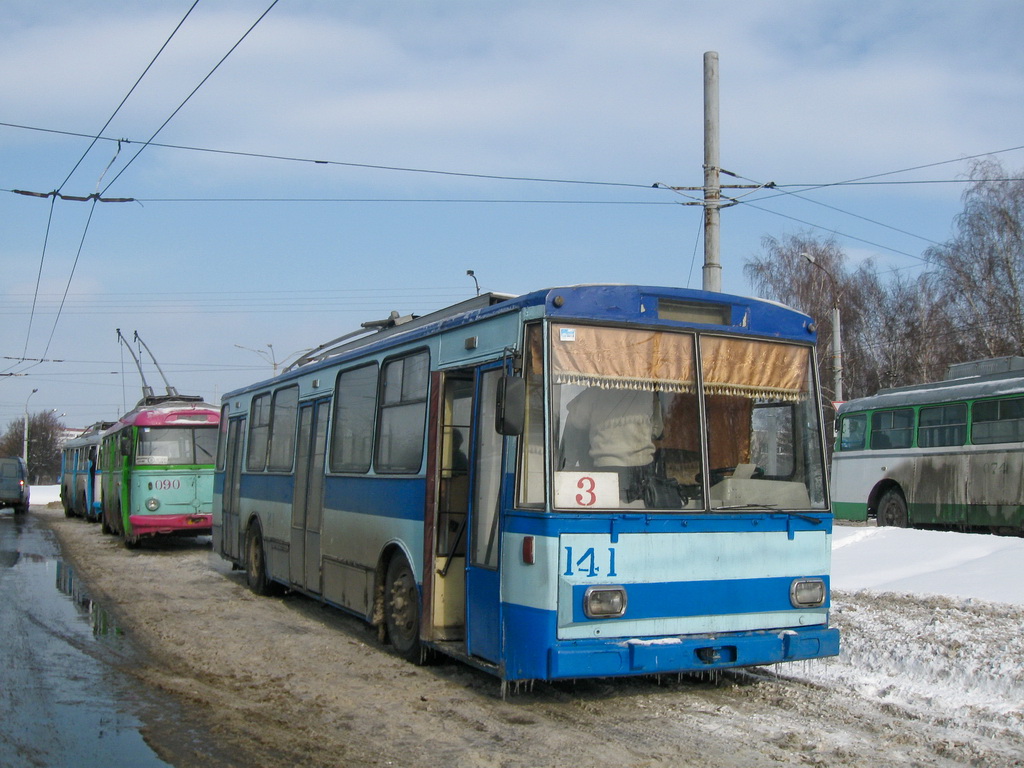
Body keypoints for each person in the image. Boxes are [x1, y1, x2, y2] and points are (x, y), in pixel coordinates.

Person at [560, 386, 663, 502]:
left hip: (607, 466)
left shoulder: (594, 391)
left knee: (607, 510)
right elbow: (657, 429)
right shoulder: (648, 392)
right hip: (643, 467)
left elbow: (577, 422)